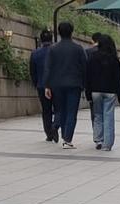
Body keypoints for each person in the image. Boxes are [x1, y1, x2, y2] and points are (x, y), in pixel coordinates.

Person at [42, 21, 87, 149]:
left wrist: (47, 86)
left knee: (60, 109)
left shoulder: (53, 48)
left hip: (57, 84)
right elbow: (84, 67)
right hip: (74, 84)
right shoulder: (78, 48)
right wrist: (84, 83)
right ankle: (67, 139)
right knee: (72, 112)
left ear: (59, 32)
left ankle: (56, 125)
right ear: (71, 32)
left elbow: (48, 68)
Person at [85, 33, 120, 151]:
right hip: (110, 91)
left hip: (95, 91)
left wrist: (88, 93)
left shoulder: (92, 57)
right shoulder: (114, 59)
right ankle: (107, 144)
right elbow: (118, 79)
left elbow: (88, 76)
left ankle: (98, 140)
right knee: (108, 116)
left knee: (98, 116)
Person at [29, 30, 55, 142]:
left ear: (41, 40)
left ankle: (49, 133)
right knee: (59, 109)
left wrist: (37, 84)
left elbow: (32, 72)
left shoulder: (35, 53)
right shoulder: (55, 51)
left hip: (41, 85)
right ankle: (56, 127)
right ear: (52, 39)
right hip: (56, 85)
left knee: (46, 110)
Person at [86, 33, 103, 145]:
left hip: (94, 87)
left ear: (93, 40)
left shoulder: (88, 52)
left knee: (96, 113)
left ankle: (97, 136)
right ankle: (106, 136)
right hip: (108, 88)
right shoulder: (109, 52)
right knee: (106, 114)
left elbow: (86, 73)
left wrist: (87, 91)